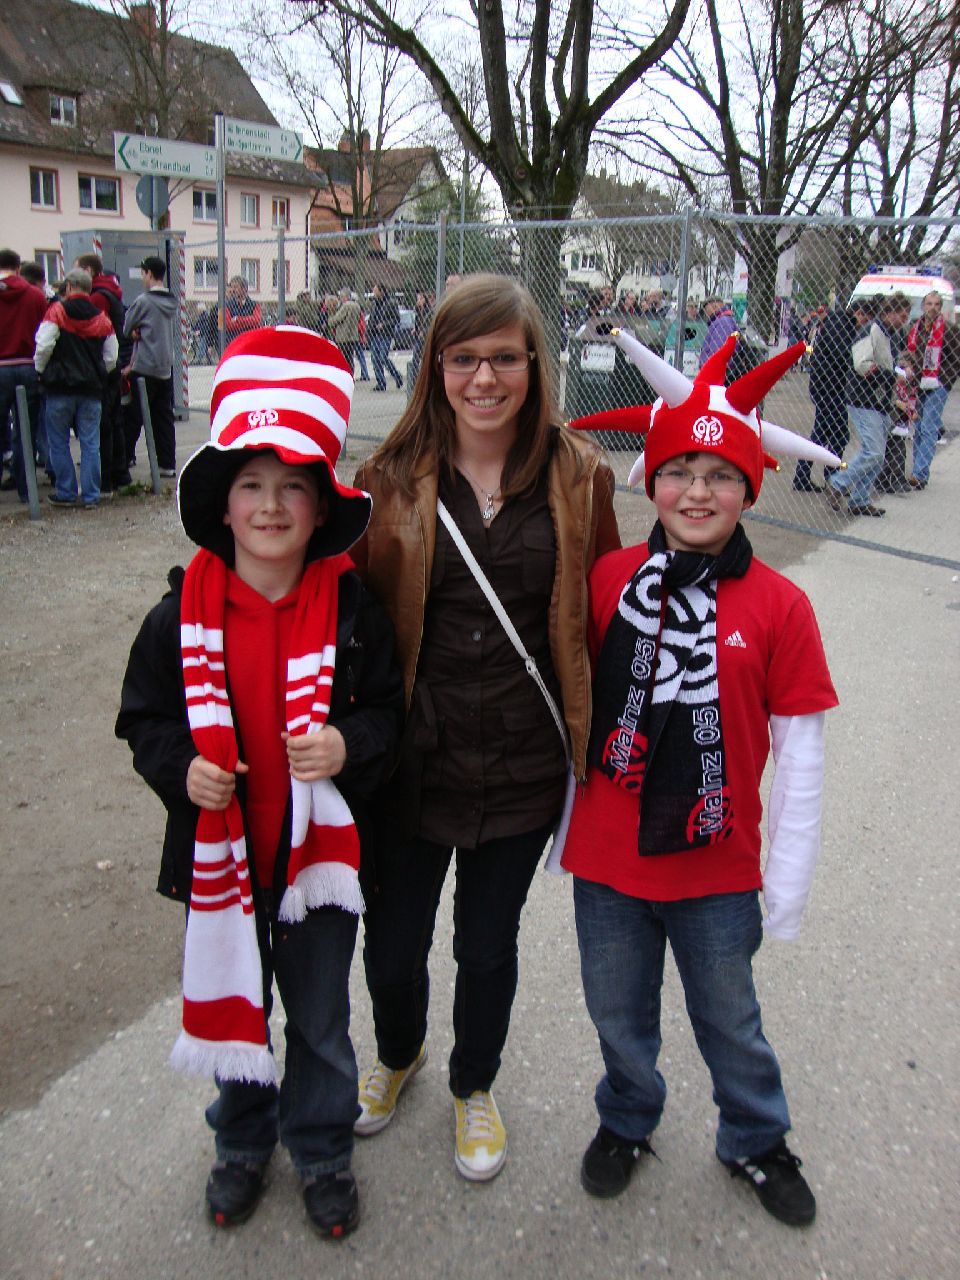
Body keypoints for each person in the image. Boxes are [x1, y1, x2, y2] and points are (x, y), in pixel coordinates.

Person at [115, 327, 403, 1238]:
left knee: (319, 1022)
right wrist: (184, 771)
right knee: (241, 1008)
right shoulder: (178, 614)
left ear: (322, 510)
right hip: (224, 861)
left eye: (293, 489)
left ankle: (320, 1151)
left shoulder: (355, 611)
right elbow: (144, 720)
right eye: (251, 485)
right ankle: (241, 1144)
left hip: (318, 865)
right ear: (224, 505)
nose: (271, 506)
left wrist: (347, 745)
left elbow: (391, 715)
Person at [559, 332, 837, 1229]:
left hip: (718, 866)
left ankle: (755, 1136)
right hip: (608, 860)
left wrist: (785, 882)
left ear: (750, 487)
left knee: (730, 1017)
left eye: (721, 474)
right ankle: (628, 1116)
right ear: (652, 481)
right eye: (679, 470)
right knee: (617, 1011)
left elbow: (801, 753)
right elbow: (565, 706)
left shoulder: (780, 607)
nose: (698, 491)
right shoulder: (609, 578)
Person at [349, 274, 621, 1182]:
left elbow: (615, 613)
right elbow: (340, 616)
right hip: (410, 764)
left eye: (504, 356)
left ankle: (475, 1085)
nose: (484, 377)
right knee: (391, 948)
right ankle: (399, 1053)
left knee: (487, 946)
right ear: (437, 366)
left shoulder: (581, 477)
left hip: (522, 762)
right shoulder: (385, 481)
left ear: (533, 363)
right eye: (463, 358)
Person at [34, 267, 118, 509]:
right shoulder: (102, 317)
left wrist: (40, 371)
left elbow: (44, 345)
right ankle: (91, 495)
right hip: (91, 389)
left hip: (60, 387)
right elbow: (111, 357)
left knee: (58, 441)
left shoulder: (57, 311)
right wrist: (99, 371)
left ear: (68, 287)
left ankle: (66, 492)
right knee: (91, 443)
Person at [827, 292, 910, 518]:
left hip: (879, 401)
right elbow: (862, 365)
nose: (904, 320)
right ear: (890, 312)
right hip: (864, 400)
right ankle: (838, 483)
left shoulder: (890, 334)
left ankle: (860, 499)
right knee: (873, 451)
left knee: (877, 454)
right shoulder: (872, 331)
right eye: (902, 315)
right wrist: (892, 376)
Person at [792, 300, 871, 492]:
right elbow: (841, 355)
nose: (864, 325)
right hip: (829, 388)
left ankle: (816, 476)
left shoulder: (838, 323)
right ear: (859, 314)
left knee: (826, 433)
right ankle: (830, 477)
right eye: (865, 319)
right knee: (836, 433)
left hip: (828, 387)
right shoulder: (840, 325)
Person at [75, 253, 133, 493]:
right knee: (113, 422)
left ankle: (107, 478)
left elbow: (97, 332)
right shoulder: (111, 291)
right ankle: (120, 474)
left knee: (104, 426)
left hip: (104, 367)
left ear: (88, 270)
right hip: (113, 364)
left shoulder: (98, 297)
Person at [0, 248, 48, 500]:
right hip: (27, 366)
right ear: (18, 268)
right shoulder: (35, 296)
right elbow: (44, 333)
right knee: (24, 431)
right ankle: (25, 488)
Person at [123, 255, 178, 477]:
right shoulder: (172, 301)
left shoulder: (143, 301)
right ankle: (167, 464)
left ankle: (125, 458)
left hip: (144, 366)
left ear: (148, 274)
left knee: (133, 417)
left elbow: (127, 327)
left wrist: (136, 331)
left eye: (143, 273)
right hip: (165, 367)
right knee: (163, 418)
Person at [907, 291, 955, 490]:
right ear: (923, 306)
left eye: (936, 304)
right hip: (918, 383)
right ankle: (919, 472)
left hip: (938, 383)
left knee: (928, 427)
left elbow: (955, 359)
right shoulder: (915, 328)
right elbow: (908, 352)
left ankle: (919, 473)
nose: (932, 307)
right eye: (929, 303)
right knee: (918, 428)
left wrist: (945, 380)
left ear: (941, 307)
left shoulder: (950, 330)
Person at [367, 284, 403, 391]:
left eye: (375, 291)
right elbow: (371, 318)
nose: (374, 293)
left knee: (383, 357)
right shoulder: (374, 303)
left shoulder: (391, 303)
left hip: (385, 334)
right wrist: (369, 330)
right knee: (375, 359)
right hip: (375, 334)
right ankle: (381, 383)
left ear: (381, 291)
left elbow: (396, 319)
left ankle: (397, 376)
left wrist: (384, 324)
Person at [328, 288, 366, 380]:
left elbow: (336, 320)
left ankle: (344, 376)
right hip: (353, 336)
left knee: (343, 358)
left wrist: (331, 318)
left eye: (341, 296)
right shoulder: (357, 306)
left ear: (346, 296)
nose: (340, 298)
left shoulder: (345, 306)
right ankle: (350, 375)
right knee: (350, 358)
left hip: (343, 336)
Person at [700, 297, 738, 366]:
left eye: (706, 309)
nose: (706, 313)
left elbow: (718, 351)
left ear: (714, 306)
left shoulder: (723, 323)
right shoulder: (723, 321)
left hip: (714, 370)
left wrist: (707, 364)